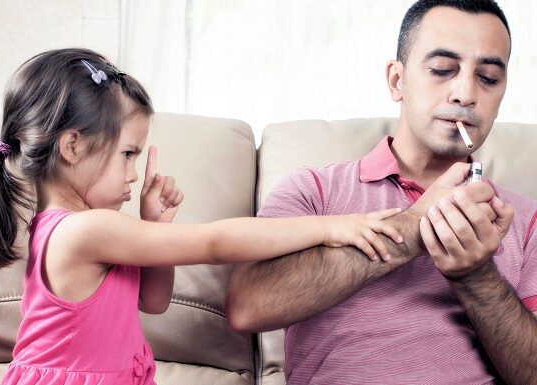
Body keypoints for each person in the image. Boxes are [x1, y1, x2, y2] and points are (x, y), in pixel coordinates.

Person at [0, 48, 405, 385]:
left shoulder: (94, 231)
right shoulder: (85, 231)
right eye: (128, 154)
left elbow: (154, 301)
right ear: (72, 147)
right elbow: (214, 243)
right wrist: (329, 226)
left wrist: (154, 227)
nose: (133, 173)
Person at [226, 1, 537, 384]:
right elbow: (246, 306)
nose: (465, 93)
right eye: (442, 70)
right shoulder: (315, 192)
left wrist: (477, 276)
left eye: (488, 78)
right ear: (397, 81)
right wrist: (414, 226)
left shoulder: (526, 221)